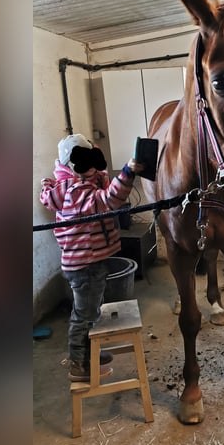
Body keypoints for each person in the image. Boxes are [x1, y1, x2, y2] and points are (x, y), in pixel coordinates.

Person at [40, 134, 143, 382]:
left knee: (89, 311)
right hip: (86, 266)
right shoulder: (76, 191)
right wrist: (127, 172)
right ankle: (79, 364)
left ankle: (88, 354)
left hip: (87, 262)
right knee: (84, 315)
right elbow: (108, 200)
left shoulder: (71, 186)